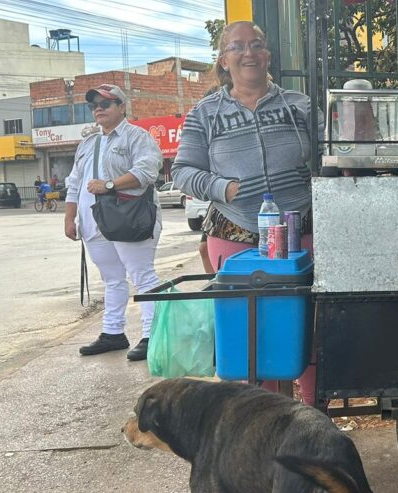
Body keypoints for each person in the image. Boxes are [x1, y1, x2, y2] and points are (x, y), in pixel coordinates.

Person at [172, 21, 317, 402]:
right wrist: (224, 188)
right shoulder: (204, 113)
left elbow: (332, 152)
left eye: (256, 44)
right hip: (234, 235)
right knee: (253, 337)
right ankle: (263, 422)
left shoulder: (300, 105)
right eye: (237, 47)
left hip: (300, 231)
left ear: (267, 55)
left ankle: (314, 414)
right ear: (223, 60)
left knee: (310, 328)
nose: (248, 53)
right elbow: (182, 171)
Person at [64, 84, 163, 361]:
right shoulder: (88, 143)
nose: (99, 109)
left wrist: (109, 185)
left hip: (128, 218)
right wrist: (70, 217)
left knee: (143, 276)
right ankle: (113, 333)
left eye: (105, 104)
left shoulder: (137, 137)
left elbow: (147, 170)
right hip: (93, 222)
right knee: (111, 279)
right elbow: (75, 183)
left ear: (121, 107)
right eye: (94, 105)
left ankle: (152, 335)